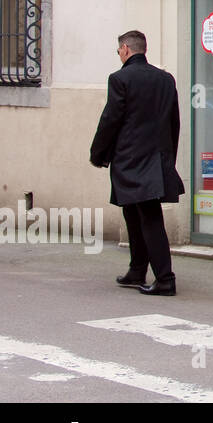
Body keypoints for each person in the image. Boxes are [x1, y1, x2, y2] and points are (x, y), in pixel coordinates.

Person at [89, 31, 184, 295]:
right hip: (155, 158)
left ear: (125, 49)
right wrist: (168, 158)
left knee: (149, 217)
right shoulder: (165, 79)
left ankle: (165, 279)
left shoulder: (120, 79)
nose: (119, 54)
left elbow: (111, 120)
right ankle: (137, 270)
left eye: (118, 50)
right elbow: (173, 123)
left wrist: (98, 154)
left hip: (131, 160)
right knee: (132, 213)